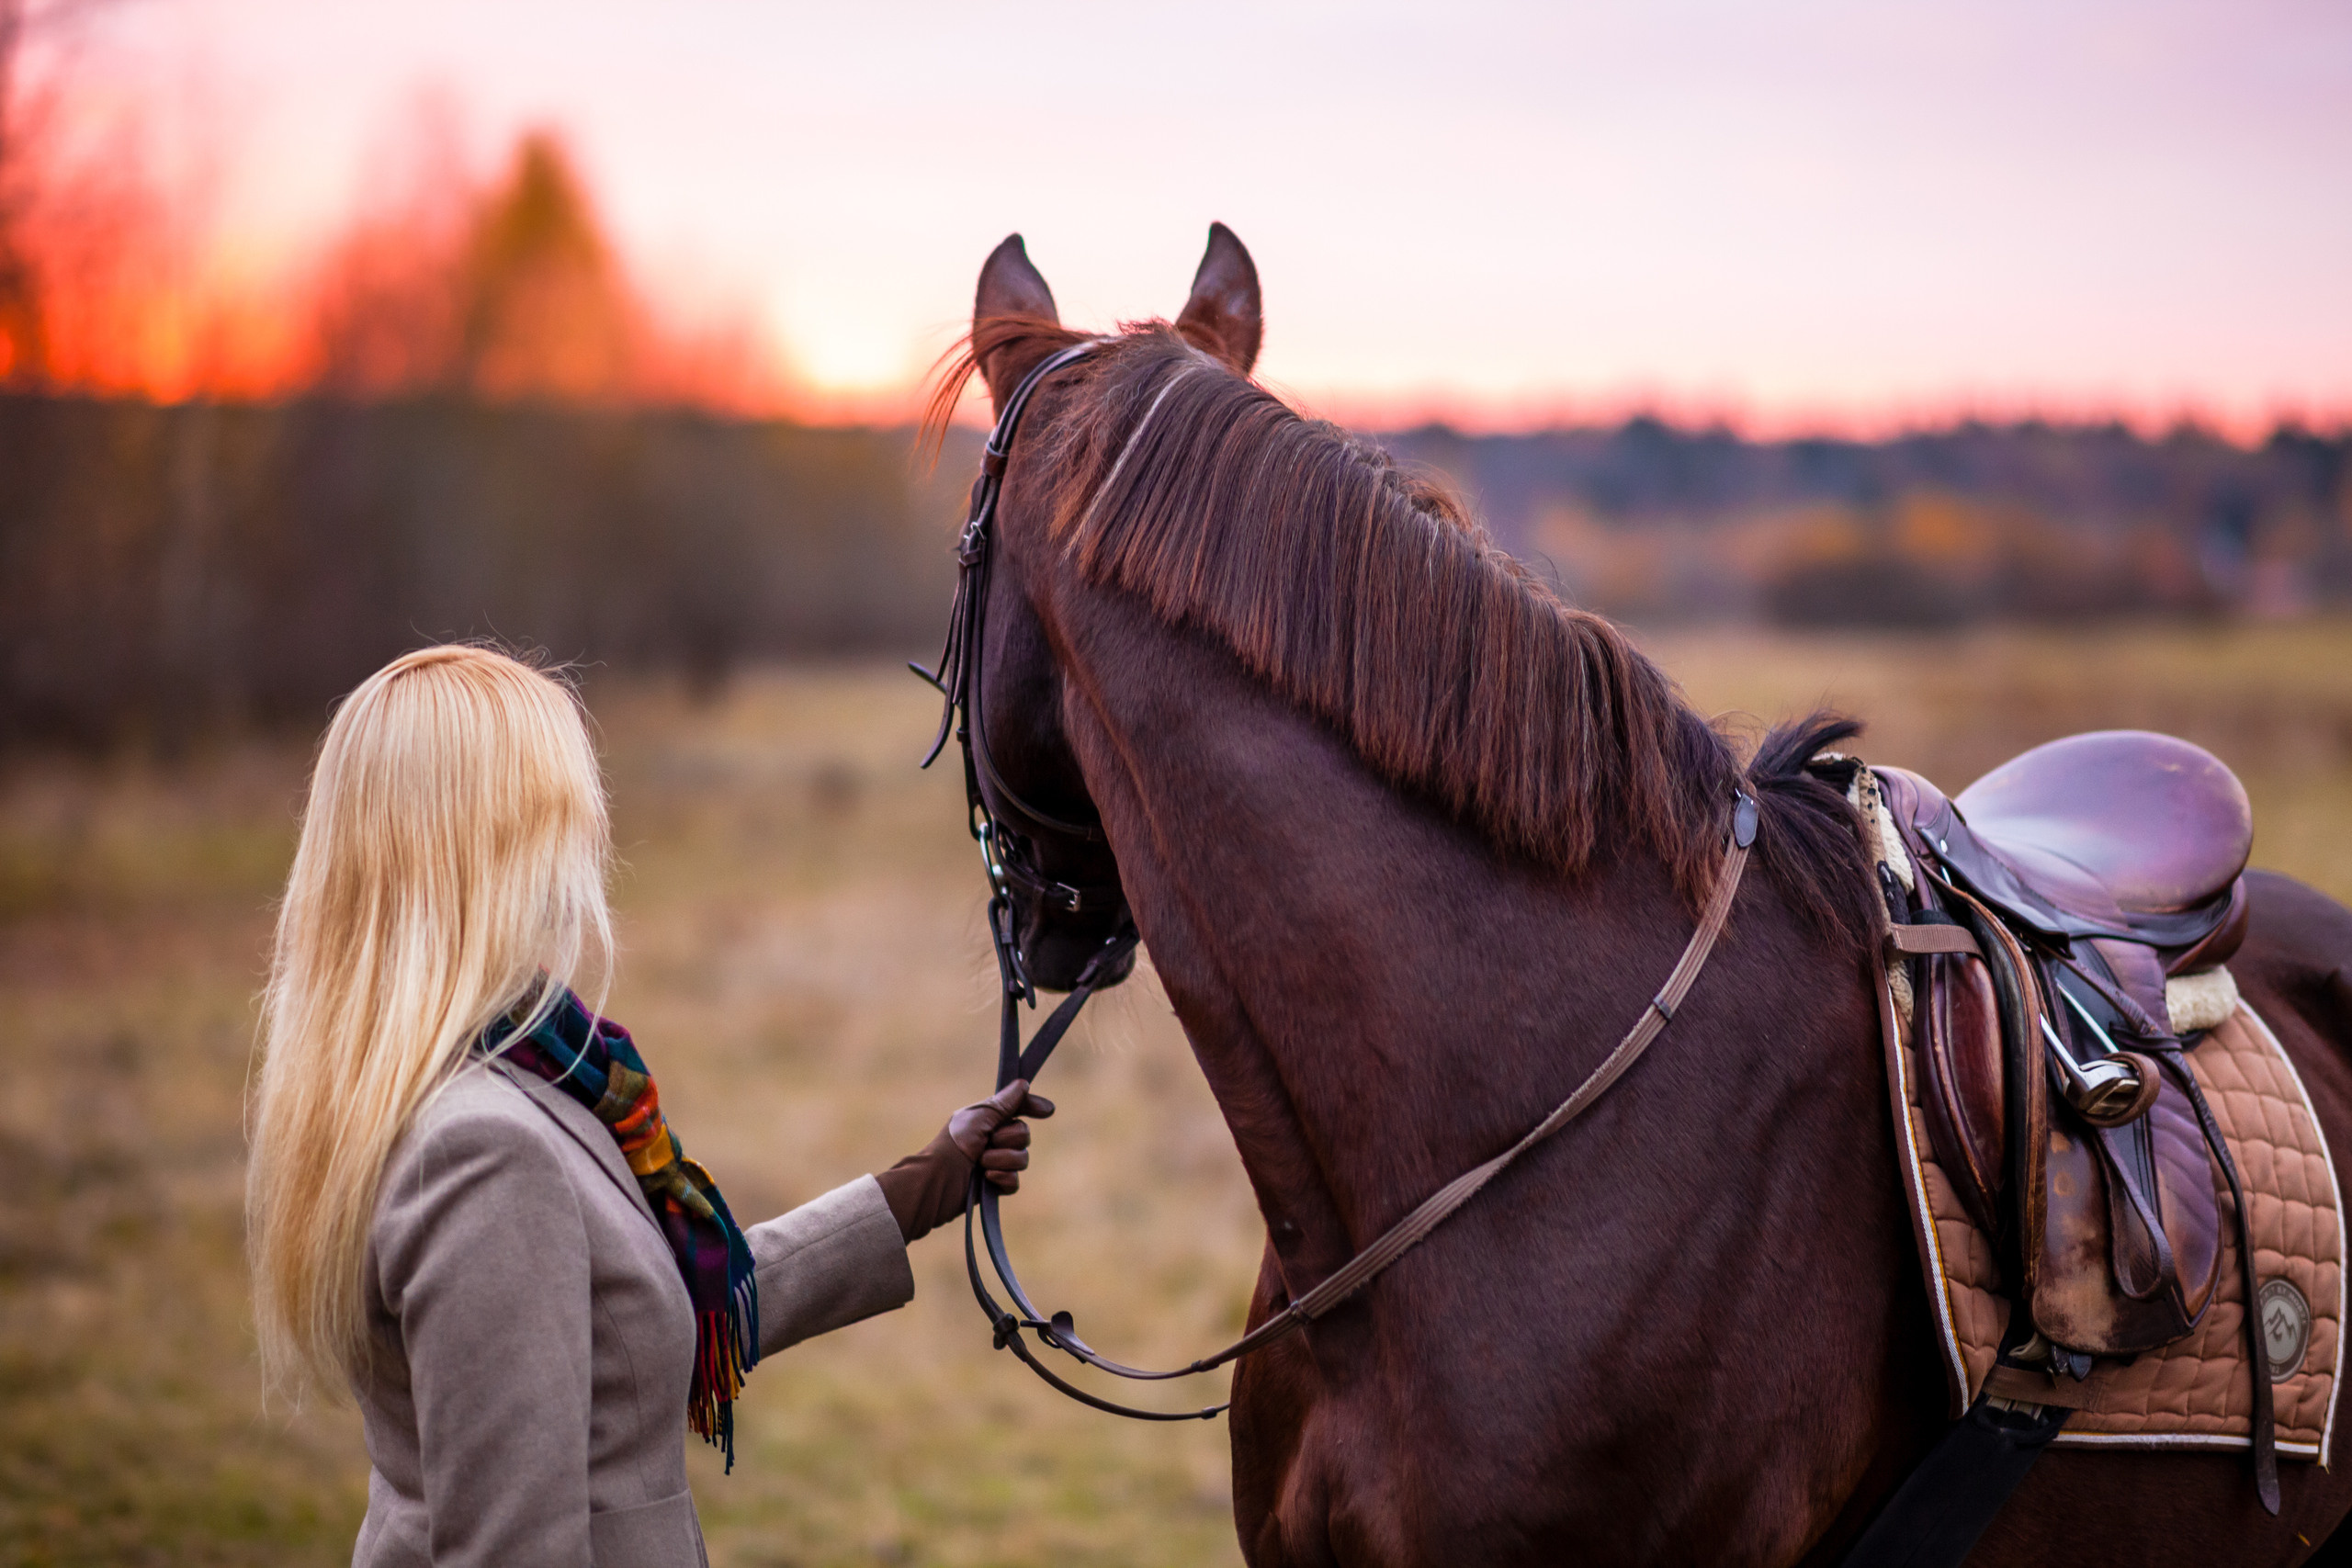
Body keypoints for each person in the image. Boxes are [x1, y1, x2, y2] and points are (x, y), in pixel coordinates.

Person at [245, 644, 1046, 1566]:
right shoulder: (482, 1155)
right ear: (477, 855)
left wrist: (917, 1189)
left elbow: (642, 1321)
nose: (581, 848)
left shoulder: (512, 1069)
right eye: (552, 819)